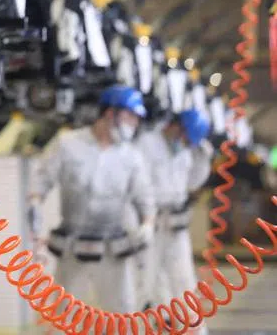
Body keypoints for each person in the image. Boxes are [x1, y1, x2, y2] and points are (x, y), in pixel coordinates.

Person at [28, 84, 156, 315]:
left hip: (113, 250)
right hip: (72, 247)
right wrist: (35, 203)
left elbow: (144, 196)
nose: (134, 125)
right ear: (110, 113)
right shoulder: (68, 144)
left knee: (122, 314)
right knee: (63, 314)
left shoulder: (131, 157)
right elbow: (42, 177)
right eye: (130, 117)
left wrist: (148, 223)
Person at [135, 107, 213, 327]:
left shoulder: (186, 150)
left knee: (184, 280)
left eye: (189, 142)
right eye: (185, 138)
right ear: (175, 126)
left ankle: (195, 330)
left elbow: (193, 183)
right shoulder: (146, 144)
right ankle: (159, 324)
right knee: (146, 282)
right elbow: (136, 184)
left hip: (176, 226)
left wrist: (202, 160)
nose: (185, 143)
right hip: (151, 224)